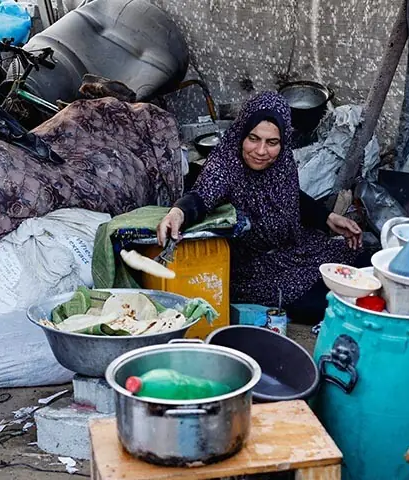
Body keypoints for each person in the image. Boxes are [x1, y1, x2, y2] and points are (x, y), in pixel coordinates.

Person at [157, 91, 367, 327]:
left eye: (272, 142)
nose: (260, 151)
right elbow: (203, 194)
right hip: (255, 270)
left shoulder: (282, 161)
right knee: (319, 305)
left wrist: (327, 217)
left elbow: (289, 195)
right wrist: (178, 212)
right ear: (242, 133)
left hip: (294, 249)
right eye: (253, 138)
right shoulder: (226, 164)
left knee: (364, 258)